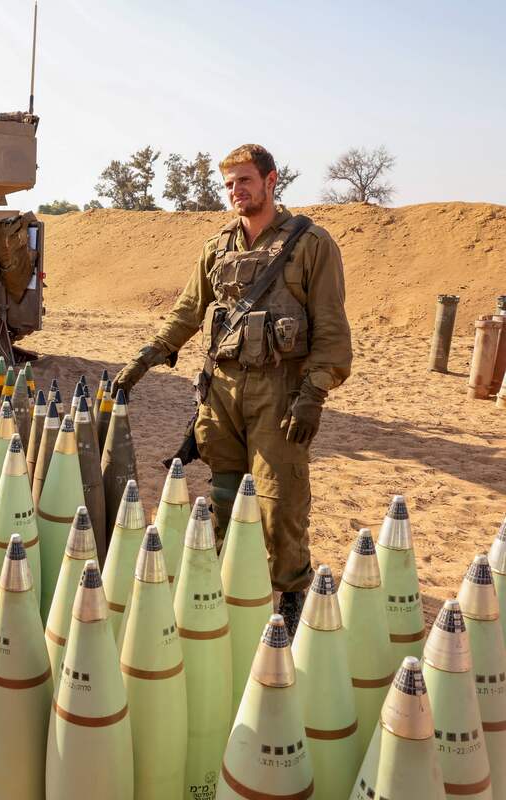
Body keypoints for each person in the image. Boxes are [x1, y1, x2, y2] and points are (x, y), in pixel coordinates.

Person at [112, 144, 352, 635]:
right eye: (229, 185)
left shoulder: (311, 244)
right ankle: (226, 582)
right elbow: (187, 310)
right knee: (223, 493)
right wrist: (148, 356)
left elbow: (330, 330)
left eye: (245, 181)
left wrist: (313, 395)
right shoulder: (217, 246)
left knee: (280, 501)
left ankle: (289, 595)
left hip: (280, 393)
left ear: (270, 180)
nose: (236, 192)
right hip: (221, 389)